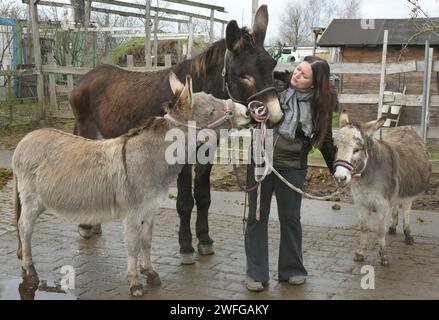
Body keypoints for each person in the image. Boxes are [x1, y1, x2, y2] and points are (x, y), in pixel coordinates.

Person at [245, 56, 338, 292]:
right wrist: (252, 114)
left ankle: (292, 269)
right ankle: (256, 273)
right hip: (260, 162)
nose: (297, 75)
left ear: (315, 84)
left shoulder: (320, 106)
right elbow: (249, 105)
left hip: (293, 167)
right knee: (257, 217)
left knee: (290, 219)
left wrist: (336, 170)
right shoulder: (275, 88)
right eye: (298, 70)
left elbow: (326, 141)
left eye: (304, 75)